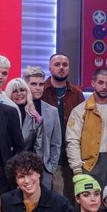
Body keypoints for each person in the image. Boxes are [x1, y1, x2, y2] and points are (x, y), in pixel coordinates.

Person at [66, 68, 107, 190]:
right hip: (88, 164)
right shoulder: (80, 110)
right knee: (88, 204)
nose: (104, 87)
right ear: (93, 83)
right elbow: (72, 141)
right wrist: (77, 169)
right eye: (101, 82)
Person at [41, 53, 84, 200]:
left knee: (71, 201)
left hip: (71, 157)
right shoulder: (41, 91)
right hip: (46, 157)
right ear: (49, 67)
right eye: (57, 64)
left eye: (64, 65)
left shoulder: (77, 94)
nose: (61, 68)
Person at [23, 66, 61, 189]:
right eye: (34, 84)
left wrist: (51, 167)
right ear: (25, 84)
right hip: (21, 167)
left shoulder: (52, 111)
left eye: (41, 84)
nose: (38, 88)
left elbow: (56, 142)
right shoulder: (16, 109)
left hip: (44, 169)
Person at [4, 77, 42, 152]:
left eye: (22, 90)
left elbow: (38, 146)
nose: (19, 94)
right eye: (15, 91)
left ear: (27, 92)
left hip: (27, 160)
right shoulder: (3, 114)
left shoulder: (35, 117)